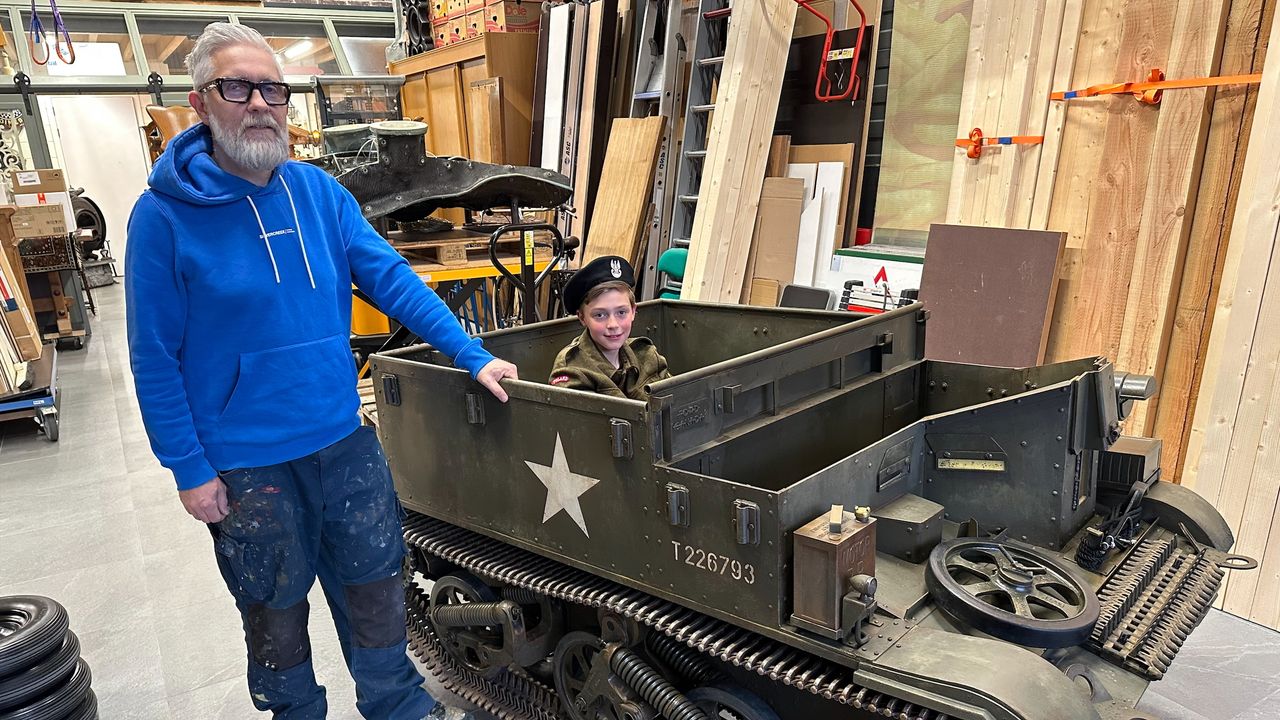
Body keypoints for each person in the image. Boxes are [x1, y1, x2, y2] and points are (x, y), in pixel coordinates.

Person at [124, 22, 516, 720]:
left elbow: (392, 281)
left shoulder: (320, 194)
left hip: (341, 439)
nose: (259, 103)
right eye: (236, 87)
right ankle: (296, 712)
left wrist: (473, 354)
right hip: (246, 466)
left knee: (377, 587)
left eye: (272, 88)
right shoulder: (163, 217)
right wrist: (187, 467)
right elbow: (153, 355)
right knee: (273, 608)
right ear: (200, 103)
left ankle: (396, 705)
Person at [548, 256, 671, 399]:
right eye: (600, 315)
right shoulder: (573, 369)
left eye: (621, 312)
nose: (613, 325)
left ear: (633, 311)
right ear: (582, 318)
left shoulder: (646, 355)